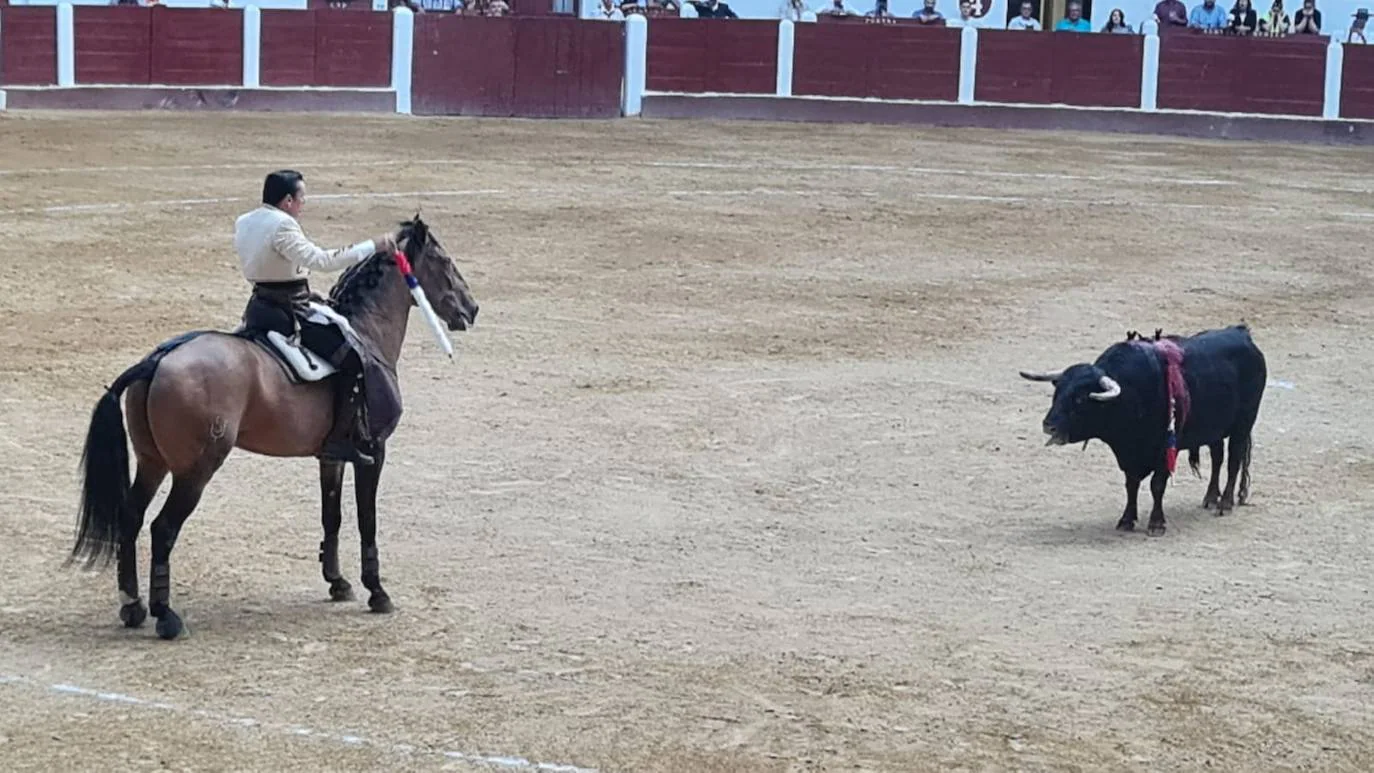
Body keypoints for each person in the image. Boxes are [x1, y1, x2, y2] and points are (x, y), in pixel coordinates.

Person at [235, 170, 397, 466]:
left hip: (258, 306)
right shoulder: (283, 225)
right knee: (353, 359)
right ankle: (339, 440)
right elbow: (323, 261)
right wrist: (373, 245)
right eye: (301, 199)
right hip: (289, 311)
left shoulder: (244, 221)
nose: (303, 204)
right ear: (287, 201)